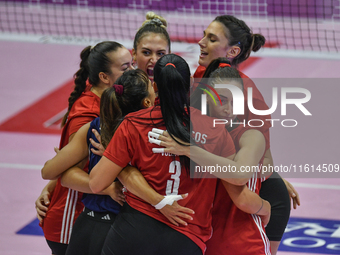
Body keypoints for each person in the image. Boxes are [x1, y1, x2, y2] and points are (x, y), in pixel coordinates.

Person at [89, 54, 270, 255]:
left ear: (154, 86)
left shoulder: (132, 123)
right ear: (191, 83)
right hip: (186, 237)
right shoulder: (215, 131)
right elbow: (238, 182)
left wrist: (118, 162)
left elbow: (96, 184)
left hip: (133, 231)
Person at [192, 15, 300, 254]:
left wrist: (272, 180)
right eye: (204, 35)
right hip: (222, 193)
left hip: (256, 195)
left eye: (211, 39)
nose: (201, 42)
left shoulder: (248, 93)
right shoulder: (200, 76)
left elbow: (264, 159)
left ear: (232, 51)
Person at [41, 69, 156, 255]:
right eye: (151, 86)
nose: (154, 88)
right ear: (147, 102)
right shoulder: (146, 135)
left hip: (86, 225)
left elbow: (50, 172)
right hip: (119, 228)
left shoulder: (96, 126)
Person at [36, 41, 133, 255]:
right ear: (104, 77)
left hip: (92, 216)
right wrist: (107, 189)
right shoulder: (89, 114)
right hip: (71, 219)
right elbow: (64, 172)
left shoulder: (108, 99)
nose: (134, 72)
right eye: (126, 68)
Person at [132, 11, 170, 81]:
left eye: (160, 53)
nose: (154, 60)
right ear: (134, 54)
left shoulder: (178, 87)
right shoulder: (123, 87)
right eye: (146, 52)